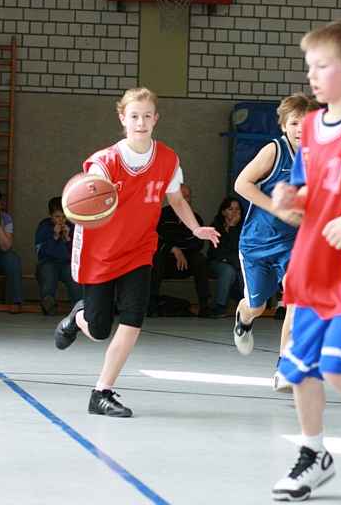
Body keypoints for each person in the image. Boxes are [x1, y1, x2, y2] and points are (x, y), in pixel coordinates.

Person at [54, 87, 219, 418]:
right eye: (134, 116)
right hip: (101, 251)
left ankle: (102, 391)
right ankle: (78, 315)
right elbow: (89, 192)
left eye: (147, 116)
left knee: (133, 317)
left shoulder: (168, 159)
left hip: (139, 250)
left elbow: (176, 199)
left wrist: (194, 228)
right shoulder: (105, 162)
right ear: (122, 118)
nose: (141, 122)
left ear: (155, 119)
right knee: (99, 330)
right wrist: (87, 196)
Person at [271, 20, 341, 501]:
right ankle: (314, 455)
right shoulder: (311, 126)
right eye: (309, 66)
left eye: (322, 66)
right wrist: (291, 197)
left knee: (338, 365)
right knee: (298, 369)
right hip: (312, 266)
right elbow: (312, 188)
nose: (312, 76)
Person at [233, 92, 319, 389]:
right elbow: (241, 184)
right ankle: (243, 319)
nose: (300, 129)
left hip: (295, 243)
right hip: (257, 242)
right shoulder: (274, 151)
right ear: (284, 125)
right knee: (257, 306)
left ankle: (284, 365)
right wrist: (277, 208)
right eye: (295, 123)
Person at [148, 183, 212, 318]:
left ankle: (205, 306)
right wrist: (173, 249)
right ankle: (151, 305)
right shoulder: (162, 215)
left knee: (199, 259)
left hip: (186, 263)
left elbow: (197, 243)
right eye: (182, 196)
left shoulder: (195, 218)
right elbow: (153, 239)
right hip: (165, 263)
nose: (185, 200)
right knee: (156, 257)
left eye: (188, 197)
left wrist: (181, 250)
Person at [35, 196, 83, 315]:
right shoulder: (44, 227)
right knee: (48, 273)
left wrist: (67, 239)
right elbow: (40, 253)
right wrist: (55, 237)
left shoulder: (71, 227)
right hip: (47, 262)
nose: (61, 220)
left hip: (67, 263)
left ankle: (79, 307)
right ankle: (48, 303)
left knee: (74, 276)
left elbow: (77, 254)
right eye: (57, 217)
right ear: (50, 215)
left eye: (64, 217)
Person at [207, 195, 244, 318]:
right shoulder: (215, 226)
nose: (234, 212)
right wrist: (230, 259)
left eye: (237, 209)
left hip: (235, 263)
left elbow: (238, 249)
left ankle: (246, 304)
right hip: (216, 263)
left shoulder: (243, 228)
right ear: (223, 212)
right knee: (228, 270)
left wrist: (233, 227)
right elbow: (217, 252)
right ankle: (220, 306)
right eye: (230, 209)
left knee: (237, 269)